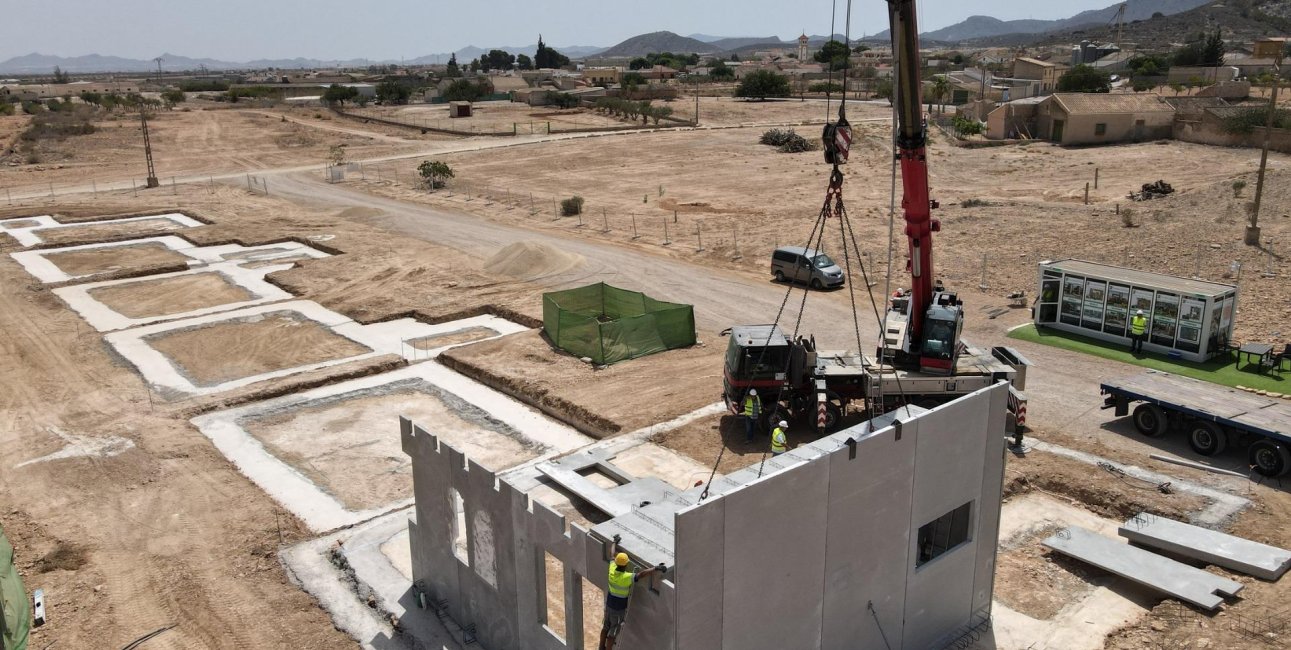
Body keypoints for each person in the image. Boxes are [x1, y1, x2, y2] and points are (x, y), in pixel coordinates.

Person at [600, 535, 666, 650]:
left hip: (609, 606)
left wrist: (614, 542)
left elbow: (612, 555)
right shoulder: (626, 577)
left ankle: (601, 648)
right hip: (618, 610)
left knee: (605, 627)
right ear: (626, 564)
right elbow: (642, 574)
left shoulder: (611, 570)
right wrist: (656, 568)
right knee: (613, 632)